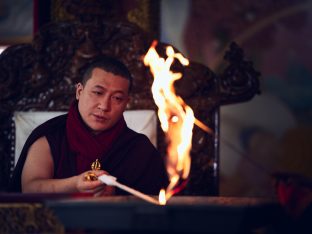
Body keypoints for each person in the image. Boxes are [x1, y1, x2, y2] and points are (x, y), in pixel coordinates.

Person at [9, 56, 169, 196]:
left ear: (126, 103)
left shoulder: (140, 149)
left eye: (117, 98)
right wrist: (76, 184)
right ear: (79, 91)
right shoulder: (50, 136)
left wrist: (115, 195)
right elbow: (29, 188)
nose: (104, 106)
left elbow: (155, 206)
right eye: (98, 93)